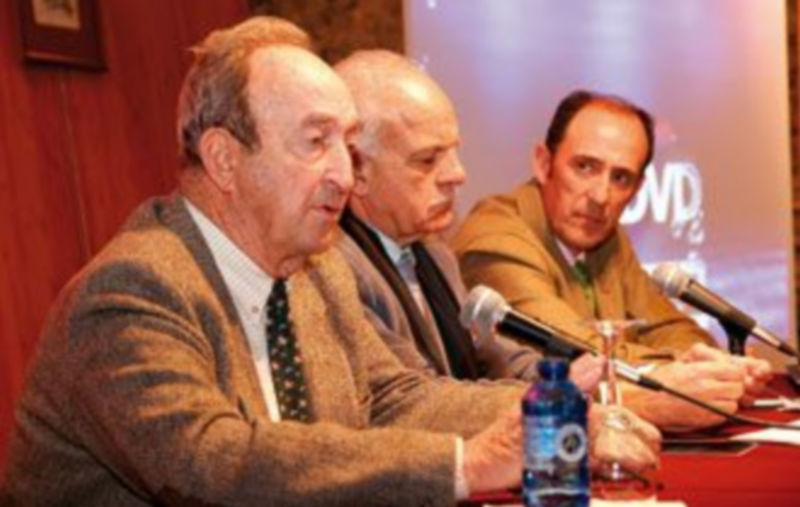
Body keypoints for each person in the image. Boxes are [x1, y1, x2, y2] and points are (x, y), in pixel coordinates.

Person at [1, 20, 659, 506]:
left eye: (347, 145)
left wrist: (550, 414)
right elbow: (214, 461)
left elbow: (394, 398)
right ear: (226, 158)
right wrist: (463, 464)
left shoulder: (317, 271)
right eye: (316, 143)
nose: (344, 175)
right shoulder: (131, 290)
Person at [452, 89, 772, 431]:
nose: (601, 196)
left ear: (637, 189)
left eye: (620, 178)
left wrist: (714, 367)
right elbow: (575, 353)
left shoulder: (604, 237)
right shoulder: (495, 237)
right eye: (585, 167)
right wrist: (684, 371)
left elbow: (668, 326)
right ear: (544, 163)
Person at [333, 50, 602, 390]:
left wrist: (565, 376)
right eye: (428, 160)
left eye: (454, 151)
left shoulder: (434, 254)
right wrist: (547, 395)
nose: (458, 174)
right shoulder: (336, 268)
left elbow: (497, 355)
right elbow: (413, 397)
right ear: (357, 169)